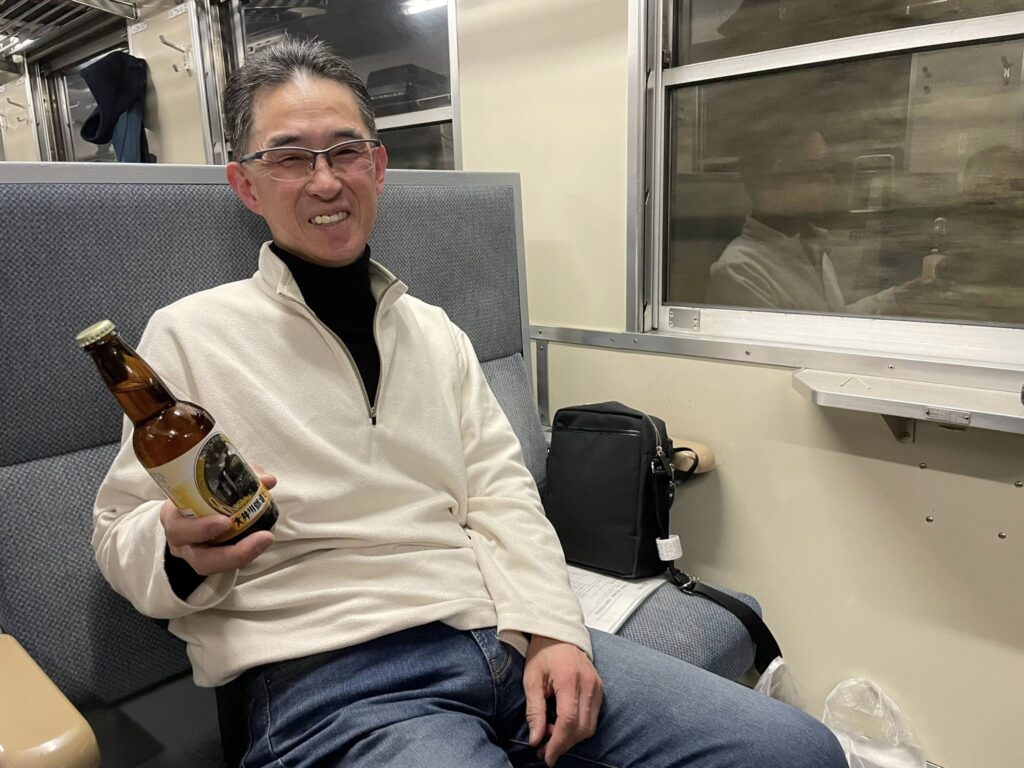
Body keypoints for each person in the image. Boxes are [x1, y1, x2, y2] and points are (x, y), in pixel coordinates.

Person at [92, 38, 846, 768]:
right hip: (327, 676)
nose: (325, 182)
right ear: (246, 184)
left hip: (493, 639)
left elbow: (500, 492)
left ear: (378, 167)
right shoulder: (190, 335)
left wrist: (554, 631)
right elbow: (117, 530)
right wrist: (178, 549)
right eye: (290, 157)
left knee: (797, 750)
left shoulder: (433, 332)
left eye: (346, 151)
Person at [705, 124, 900, 313]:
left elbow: (829, 320)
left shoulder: (810, 248)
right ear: (777, 180)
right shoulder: (740, 273)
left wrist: (894, 298)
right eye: (816, 171)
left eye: (828, 169)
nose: (830, 182)